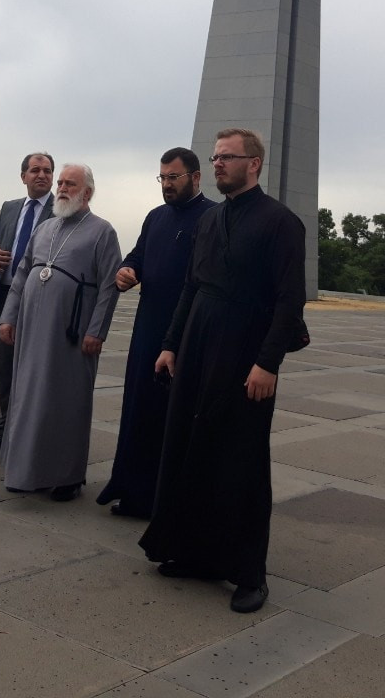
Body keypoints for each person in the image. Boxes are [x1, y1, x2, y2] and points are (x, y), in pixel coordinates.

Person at [140, 128, 305, 614]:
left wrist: (268, 363)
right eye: (214, 157)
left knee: (241, 459)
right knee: (191, 447)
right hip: (198, 343)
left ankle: (250, 573)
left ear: (253, 163)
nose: (217, 164)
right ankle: (196, 554)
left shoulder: (281, 222)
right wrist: (171, 344)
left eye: (227, 157)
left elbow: (289, 301)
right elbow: (192, 286)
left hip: (245, 350)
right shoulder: (210, 220)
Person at [96, 147, 216, 519]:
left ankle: (166, 502)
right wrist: (127, 271)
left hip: (185, 333)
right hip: (148, 329)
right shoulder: (156, 217)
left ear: (196, 177)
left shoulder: (212, 217)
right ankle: (134, 492)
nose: (166, 184)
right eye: (162, 178)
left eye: (173, 177)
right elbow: (138, 255)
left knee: (172, 419)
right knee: (140, 410)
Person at [0, 164, 121, 500]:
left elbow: (109, 286)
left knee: (67, 400)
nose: (62, 188)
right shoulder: (45, 228)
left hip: (72, 332)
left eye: (71, 184)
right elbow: (22, 274)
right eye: (62, 183)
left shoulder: (102, 231)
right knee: (28, 397)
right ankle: (25, 471)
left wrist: (97, 331)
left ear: (88, 193)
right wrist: (9, 317)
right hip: (32, 328)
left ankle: (67, 477)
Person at [0, 152, 55, 455]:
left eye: (47, 170)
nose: (41, 175)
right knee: (6, 369)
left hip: (42, 301)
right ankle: (3, 432)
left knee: (36, 371)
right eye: (35, 170)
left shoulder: (62, 209)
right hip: (7, 297)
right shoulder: (10, 208)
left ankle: (31, 436)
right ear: (23, 176)